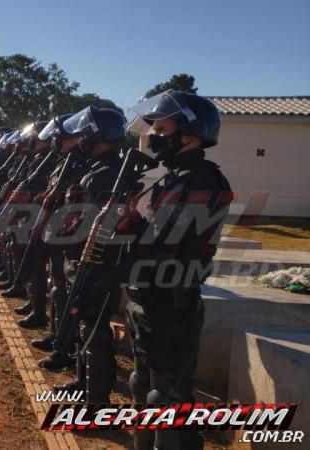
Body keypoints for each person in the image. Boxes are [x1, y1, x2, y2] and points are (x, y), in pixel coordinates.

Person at [121, 91, 231, 450]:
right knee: (142, 383)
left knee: (162, 396)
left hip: (171, 301)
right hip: (149, 296)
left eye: (162, 127)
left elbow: (165, 241)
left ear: (190, 133)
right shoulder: (172, 178)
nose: (155, 134)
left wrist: (133, 232)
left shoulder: (200, 181)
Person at [41, 107, 127, 406]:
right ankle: (82, 383)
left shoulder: (109, 175)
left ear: (97, 136)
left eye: (84, 134)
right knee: (82, 327)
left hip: (99, 263)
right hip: (81, 258)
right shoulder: (97, 170)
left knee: (94, 333)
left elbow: (104, 222)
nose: (80, 140)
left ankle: (97, 405)